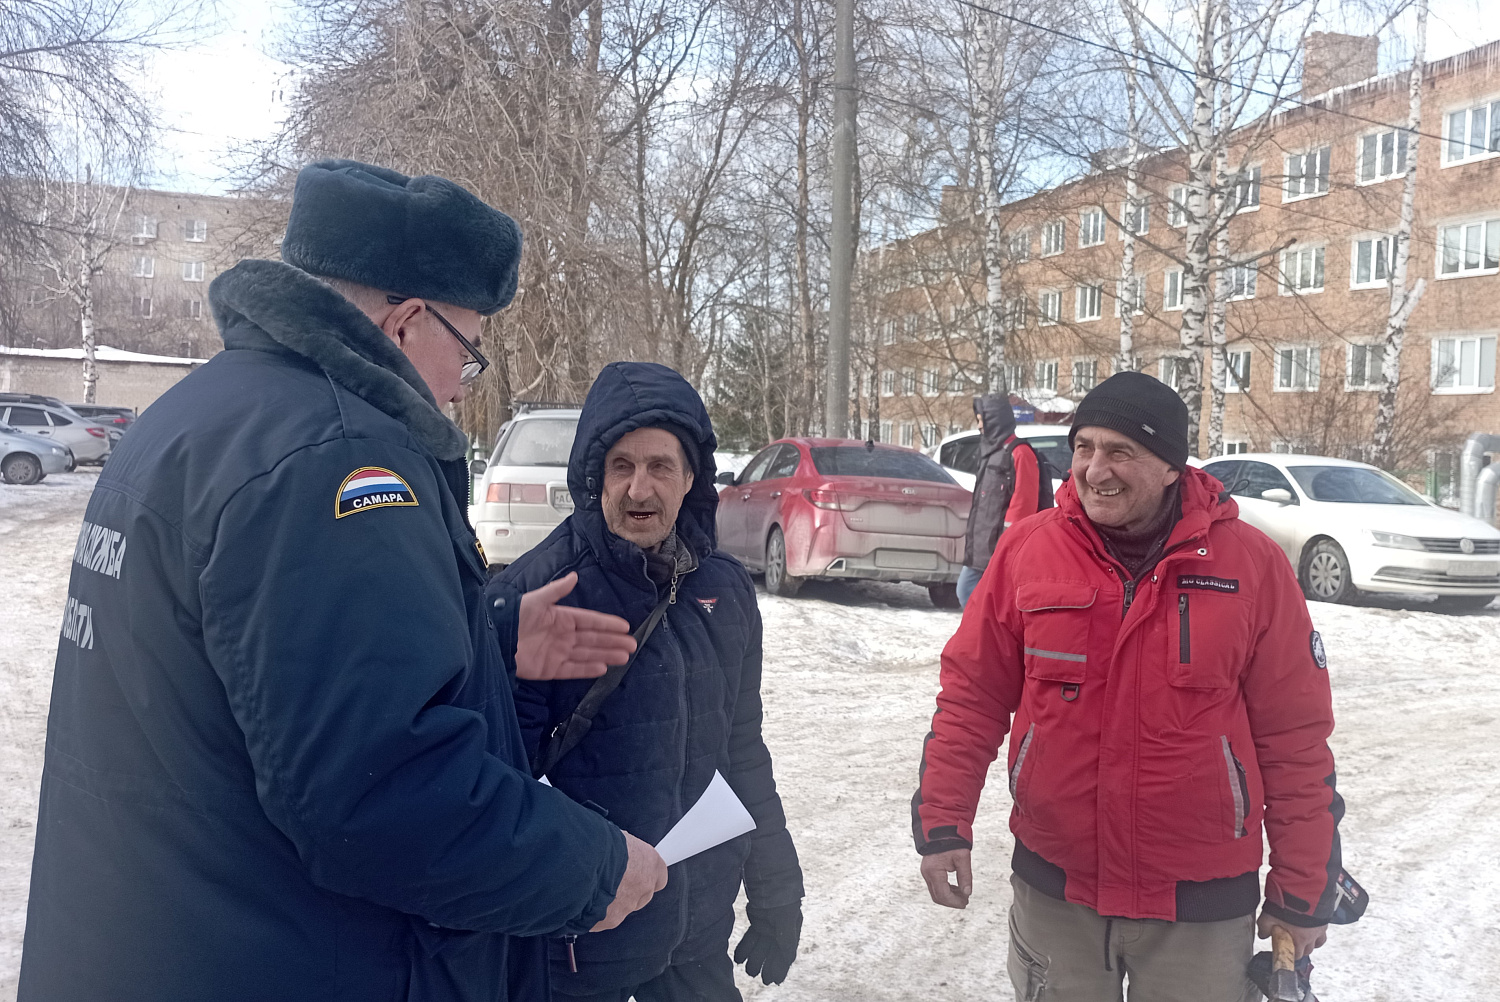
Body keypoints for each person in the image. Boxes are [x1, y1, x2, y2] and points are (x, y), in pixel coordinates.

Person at [19, 160, 668, 1002]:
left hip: (163, 937)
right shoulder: (338, 461)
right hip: (284, 956)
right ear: (404, 324)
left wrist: (488, 639)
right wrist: (590, 869)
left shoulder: (201, 416)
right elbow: (377, 794)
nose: (463, 390)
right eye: (468, 354)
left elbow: (252, 665)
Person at [912, 371, 1366, 1001]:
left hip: (1200, 909)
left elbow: (1295, 739)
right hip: (1057, 892)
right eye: (1084, 448)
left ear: (1172, 467)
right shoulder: (1027, 553)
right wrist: (943, 824)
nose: (1095, 470)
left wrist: (1302, 887)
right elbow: (971, 698)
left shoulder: (1251, 566)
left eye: (1121, 451)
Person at [490, 361, 804, 1002]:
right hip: (578, 947)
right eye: (621, 466)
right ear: (593, 477)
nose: (640, 489)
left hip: (695, 936)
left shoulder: (724, 589)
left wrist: (776, 883)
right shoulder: (541, 596)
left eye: (660, 466)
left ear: (691, 478)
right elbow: (499, 784)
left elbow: (741, 752)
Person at [957, 393, 1042, 609]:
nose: (979, 426)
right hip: (981, 548)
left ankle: (984, 640)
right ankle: (981, 639)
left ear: (994, 419)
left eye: (981, 419)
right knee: (969, 594)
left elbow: (1024, 505)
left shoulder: (1020, 453)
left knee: (974, 596)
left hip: (999, 550)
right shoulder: (990, 452)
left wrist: (1008, 548)